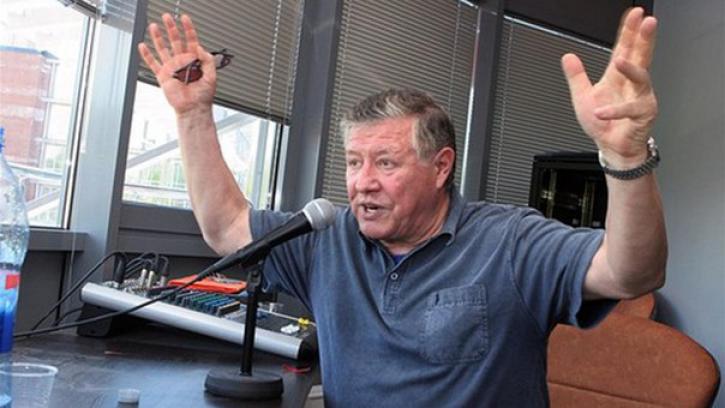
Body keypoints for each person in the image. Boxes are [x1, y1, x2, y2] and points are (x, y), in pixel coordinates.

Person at [138, 7, 667, 407]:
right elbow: (227, 228)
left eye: (386, 163)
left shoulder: (510, 241)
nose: (362, 183)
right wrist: (192, 115)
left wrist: (625, 158)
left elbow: (631, 272)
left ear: (440, 168)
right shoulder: (326, 239)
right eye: (354, 162)